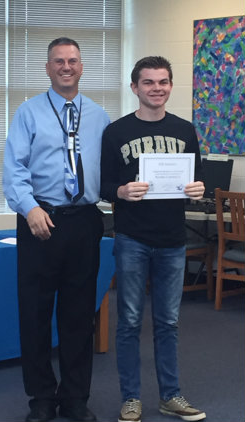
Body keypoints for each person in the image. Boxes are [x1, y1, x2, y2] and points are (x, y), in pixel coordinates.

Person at [3, 37, 110, 422]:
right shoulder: (28, 113)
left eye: (73, 61)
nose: (66, 66)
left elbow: (110, 173)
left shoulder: (99, 117)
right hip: (39, 222)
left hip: (84, 223)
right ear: (47, 68)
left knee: (79, 315)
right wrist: (29, 208)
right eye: (59, 61)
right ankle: (42, 398)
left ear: (82, 67)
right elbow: (13, 170)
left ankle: (76, 397)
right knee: (34, 314)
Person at [100, 56, 206, 422]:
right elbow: (103, 186)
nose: (156, 88)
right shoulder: (116, 132)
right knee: (129, 321)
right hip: (132, 238)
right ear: (135, 88)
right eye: (148, 82)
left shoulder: (186, 130)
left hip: (173, 240)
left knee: (168, 322)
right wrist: (121, 191)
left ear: (170, 86)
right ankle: (131, 398)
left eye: (163, 82)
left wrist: (197, 189)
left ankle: (170, 395)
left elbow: (197, 180)